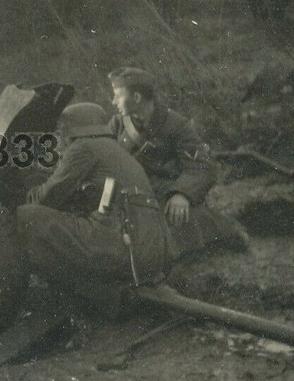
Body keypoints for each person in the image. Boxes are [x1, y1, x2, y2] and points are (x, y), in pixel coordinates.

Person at [16, 102, 174, 315]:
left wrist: (24, 191)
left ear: (71, 131)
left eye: (61, 133)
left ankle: (72, 299)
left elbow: (45, 198)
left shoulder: (83, 148)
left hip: (127, 246)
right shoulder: (114, 149)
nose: (60, 140)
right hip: (152, 249)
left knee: (27, 216)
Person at [106, 66, 249, 258]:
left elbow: (202, 166)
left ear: (137, 98)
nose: (113, 101)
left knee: (182, 225)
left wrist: (182, 194)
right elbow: (105, 158)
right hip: (133, 193)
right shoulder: (118, 123)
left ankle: (226, 233)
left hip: (166, 194)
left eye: (118, 95)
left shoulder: (176, 126)